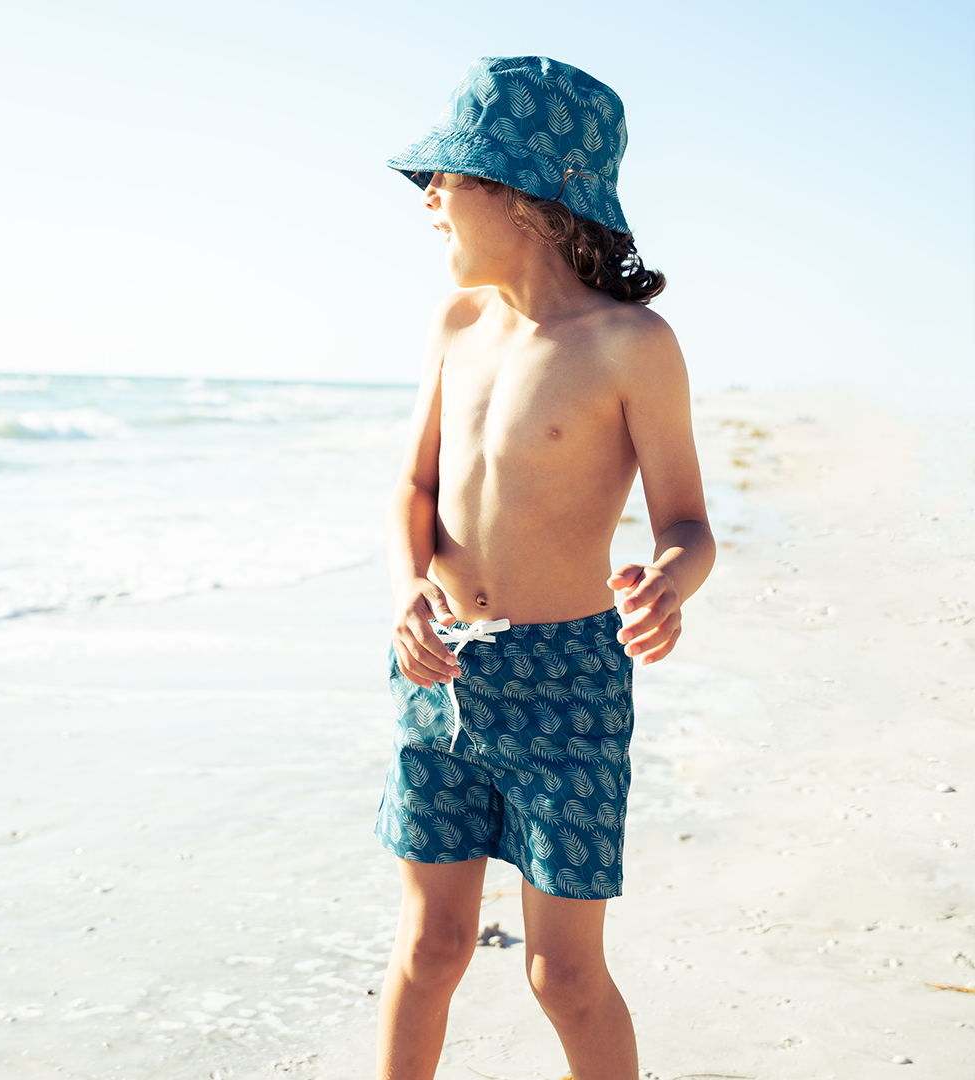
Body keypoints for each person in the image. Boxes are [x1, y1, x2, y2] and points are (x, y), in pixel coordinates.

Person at [373, 56, 715, 1080]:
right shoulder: (457, 327)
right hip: (438, 672)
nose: (428, 197)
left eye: (448, 176)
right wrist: (407, 597)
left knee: (560, 976)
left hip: (569, 685)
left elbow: (688, 524)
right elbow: (414, 491)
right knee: (430, 947)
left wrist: (667, 584)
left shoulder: (631, 345)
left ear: (522, 194)